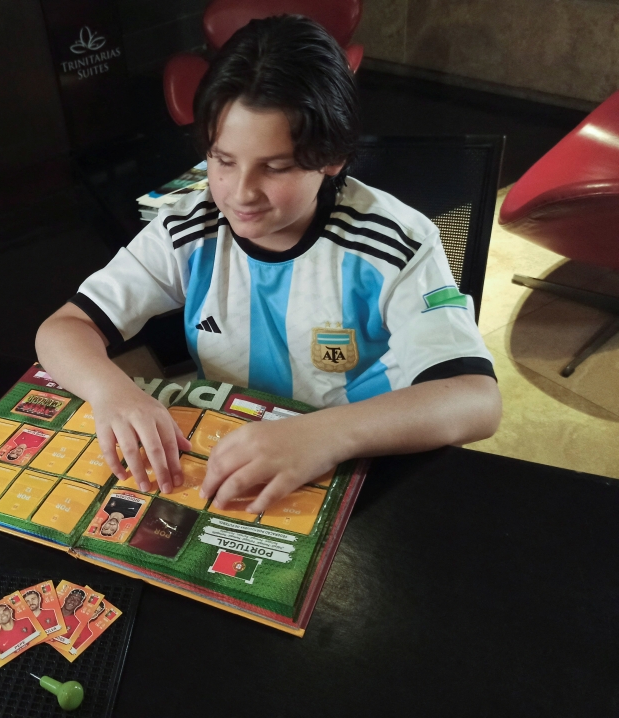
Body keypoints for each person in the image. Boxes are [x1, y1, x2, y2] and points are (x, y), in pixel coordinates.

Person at [35, 15, 501, 515]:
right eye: (223, 160)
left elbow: (475, 399)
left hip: (355, 461)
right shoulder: (191, 229)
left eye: (275, 167)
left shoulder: (391, 243)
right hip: (235, 451)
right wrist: (113, 393)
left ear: (333, 157)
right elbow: (64, 328)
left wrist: (323, 435)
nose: (239, 195)